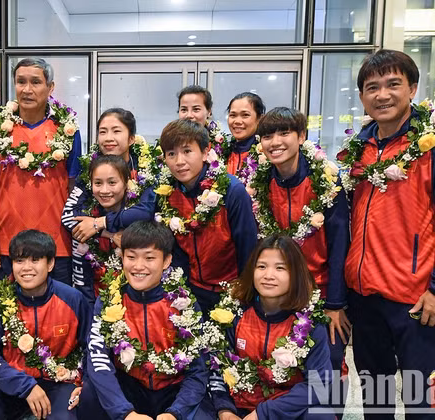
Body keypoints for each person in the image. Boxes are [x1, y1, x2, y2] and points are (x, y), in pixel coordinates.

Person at [337, 49, 435, 418]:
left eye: (393, 84)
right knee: (375, 394)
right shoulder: (357, 148)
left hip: (416, 298)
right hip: (363, 296)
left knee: (421, 396)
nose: (382, 94)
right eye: (372, 87)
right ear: (363, 96)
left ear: (412, 89)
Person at [248, 107, 350, 416]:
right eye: (267, 136)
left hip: (319, 294)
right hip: (276, 292)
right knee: (279, 366)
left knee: (328, 368)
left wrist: (335, 304)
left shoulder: (326, 182)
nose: (275, 142)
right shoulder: (261, 184)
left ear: (301, 136)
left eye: (284, 133)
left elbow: (339, 246)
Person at [79, 220, 211, 420]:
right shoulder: (108, 300)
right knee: (89, 395)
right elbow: (99, 360)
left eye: (149, 258)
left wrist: (176, 412)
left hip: (172, 390)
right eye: (131, 257)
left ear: (166, 261)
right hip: (130, 388)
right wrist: (125, 413)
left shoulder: (184, 303)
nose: (138, 266)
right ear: (122, 257)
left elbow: (198, 370)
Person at [0, 58, 82, 282]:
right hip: (8, 244)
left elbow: (74, 187)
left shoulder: (67, 129)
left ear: (50, 87)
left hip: (57, 246)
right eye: (20, 82)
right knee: (8, 314)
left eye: (35, 82)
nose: (27, 89)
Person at [0, 229, 89, 420]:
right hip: (14, 381)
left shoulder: (73, 299)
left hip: (59, 382)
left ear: (50, 264)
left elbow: (92, 347)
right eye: (19, 261)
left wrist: (87, 386)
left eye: (35, 260)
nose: (26, 268)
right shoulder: (1, 302)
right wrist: (25, 385)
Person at [209, 234, 333, 420]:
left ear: (296, 273)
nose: (268, 275)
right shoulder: (234, 314)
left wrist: (263, 413)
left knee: (321, 415)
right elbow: (216, 369)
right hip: (239, 409)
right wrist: (225, 411)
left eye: (280, 268)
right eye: (261, 266)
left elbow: (320, 384)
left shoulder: (310, 323)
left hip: (286, 411)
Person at [154, 119, 257, 312]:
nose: (179, 161)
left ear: (204, 152)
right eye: (171, 154)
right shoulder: (166, 193)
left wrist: (244, 292)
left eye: (187, 151)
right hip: (190, 291)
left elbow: (247, 246)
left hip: (232, 291)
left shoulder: (231, 191)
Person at [69, 154, 155, 303]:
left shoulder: (138, 213)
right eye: (98, 183)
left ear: (126, 183)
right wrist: (108, 234)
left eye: (112, 182)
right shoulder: (87, 213)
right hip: (98, 297)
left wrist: (101, 223)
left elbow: (146, 213)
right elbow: (71, 221)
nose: (104, 190)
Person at [222, 92, 265, 179]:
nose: (237, 121)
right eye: (233, 115)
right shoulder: (222, 152)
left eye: (245, 115)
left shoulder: (266, 154)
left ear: (260, 119)